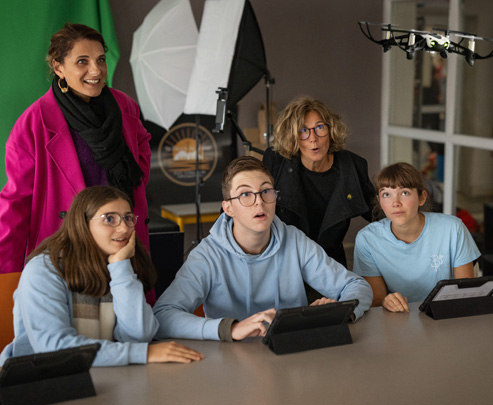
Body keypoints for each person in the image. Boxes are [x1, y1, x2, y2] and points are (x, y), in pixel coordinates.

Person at [0, 24, 152, 297]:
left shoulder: (125, 107)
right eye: (82, 61)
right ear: (58, 67)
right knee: (74, 321)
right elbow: (15, 205)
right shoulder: (33, 123)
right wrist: (6, 280)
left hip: (122, 244)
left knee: (131, 319)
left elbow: (140, 163)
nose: (96, 71)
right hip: (67, 251)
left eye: (100, 60)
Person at [153, 156, 372, 342]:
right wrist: (230, 329)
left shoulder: (295, 240)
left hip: (292, 356)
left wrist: (336, 313)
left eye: (266, 191)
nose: (259, 202)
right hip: (232, 361)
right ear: (228, 208)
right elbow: (162, 316)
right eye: (245, 194)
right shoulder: (206, 255)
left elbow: (356, 285)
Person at [0, 186, 203, 367]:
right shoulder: (44, 270)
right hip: (35, 382)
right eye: (109, 219)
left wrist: (121, 268)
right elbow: (54, 348)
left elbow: (139, 336)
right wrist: (142, 353)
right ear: (82, 224)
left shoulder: (117, 264)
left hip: (101, 377)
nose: (124, 228)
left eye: (128, 218)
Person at [262, 96, 375, 301]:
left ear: (331, 131)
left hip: (328, 267)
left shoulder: (352, 166)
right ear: (292, 136)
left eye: (319, 128)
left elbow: (378, 211)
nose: (313, 138)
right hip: (284, 263)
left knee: (332, 316)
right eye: (303, 131)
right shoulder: (276, 162)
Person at [353, 162, 481, 313]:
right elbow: (377, 300)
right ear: (380, 201)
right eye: (386, 194)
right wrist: (385, 301)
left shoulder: (453, 228)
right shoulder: (367, 239)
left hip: (446, 314)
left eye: (404, 193)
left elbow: (465, 294)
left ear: (422, 197)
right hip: (397, 317)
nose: (395, 203)